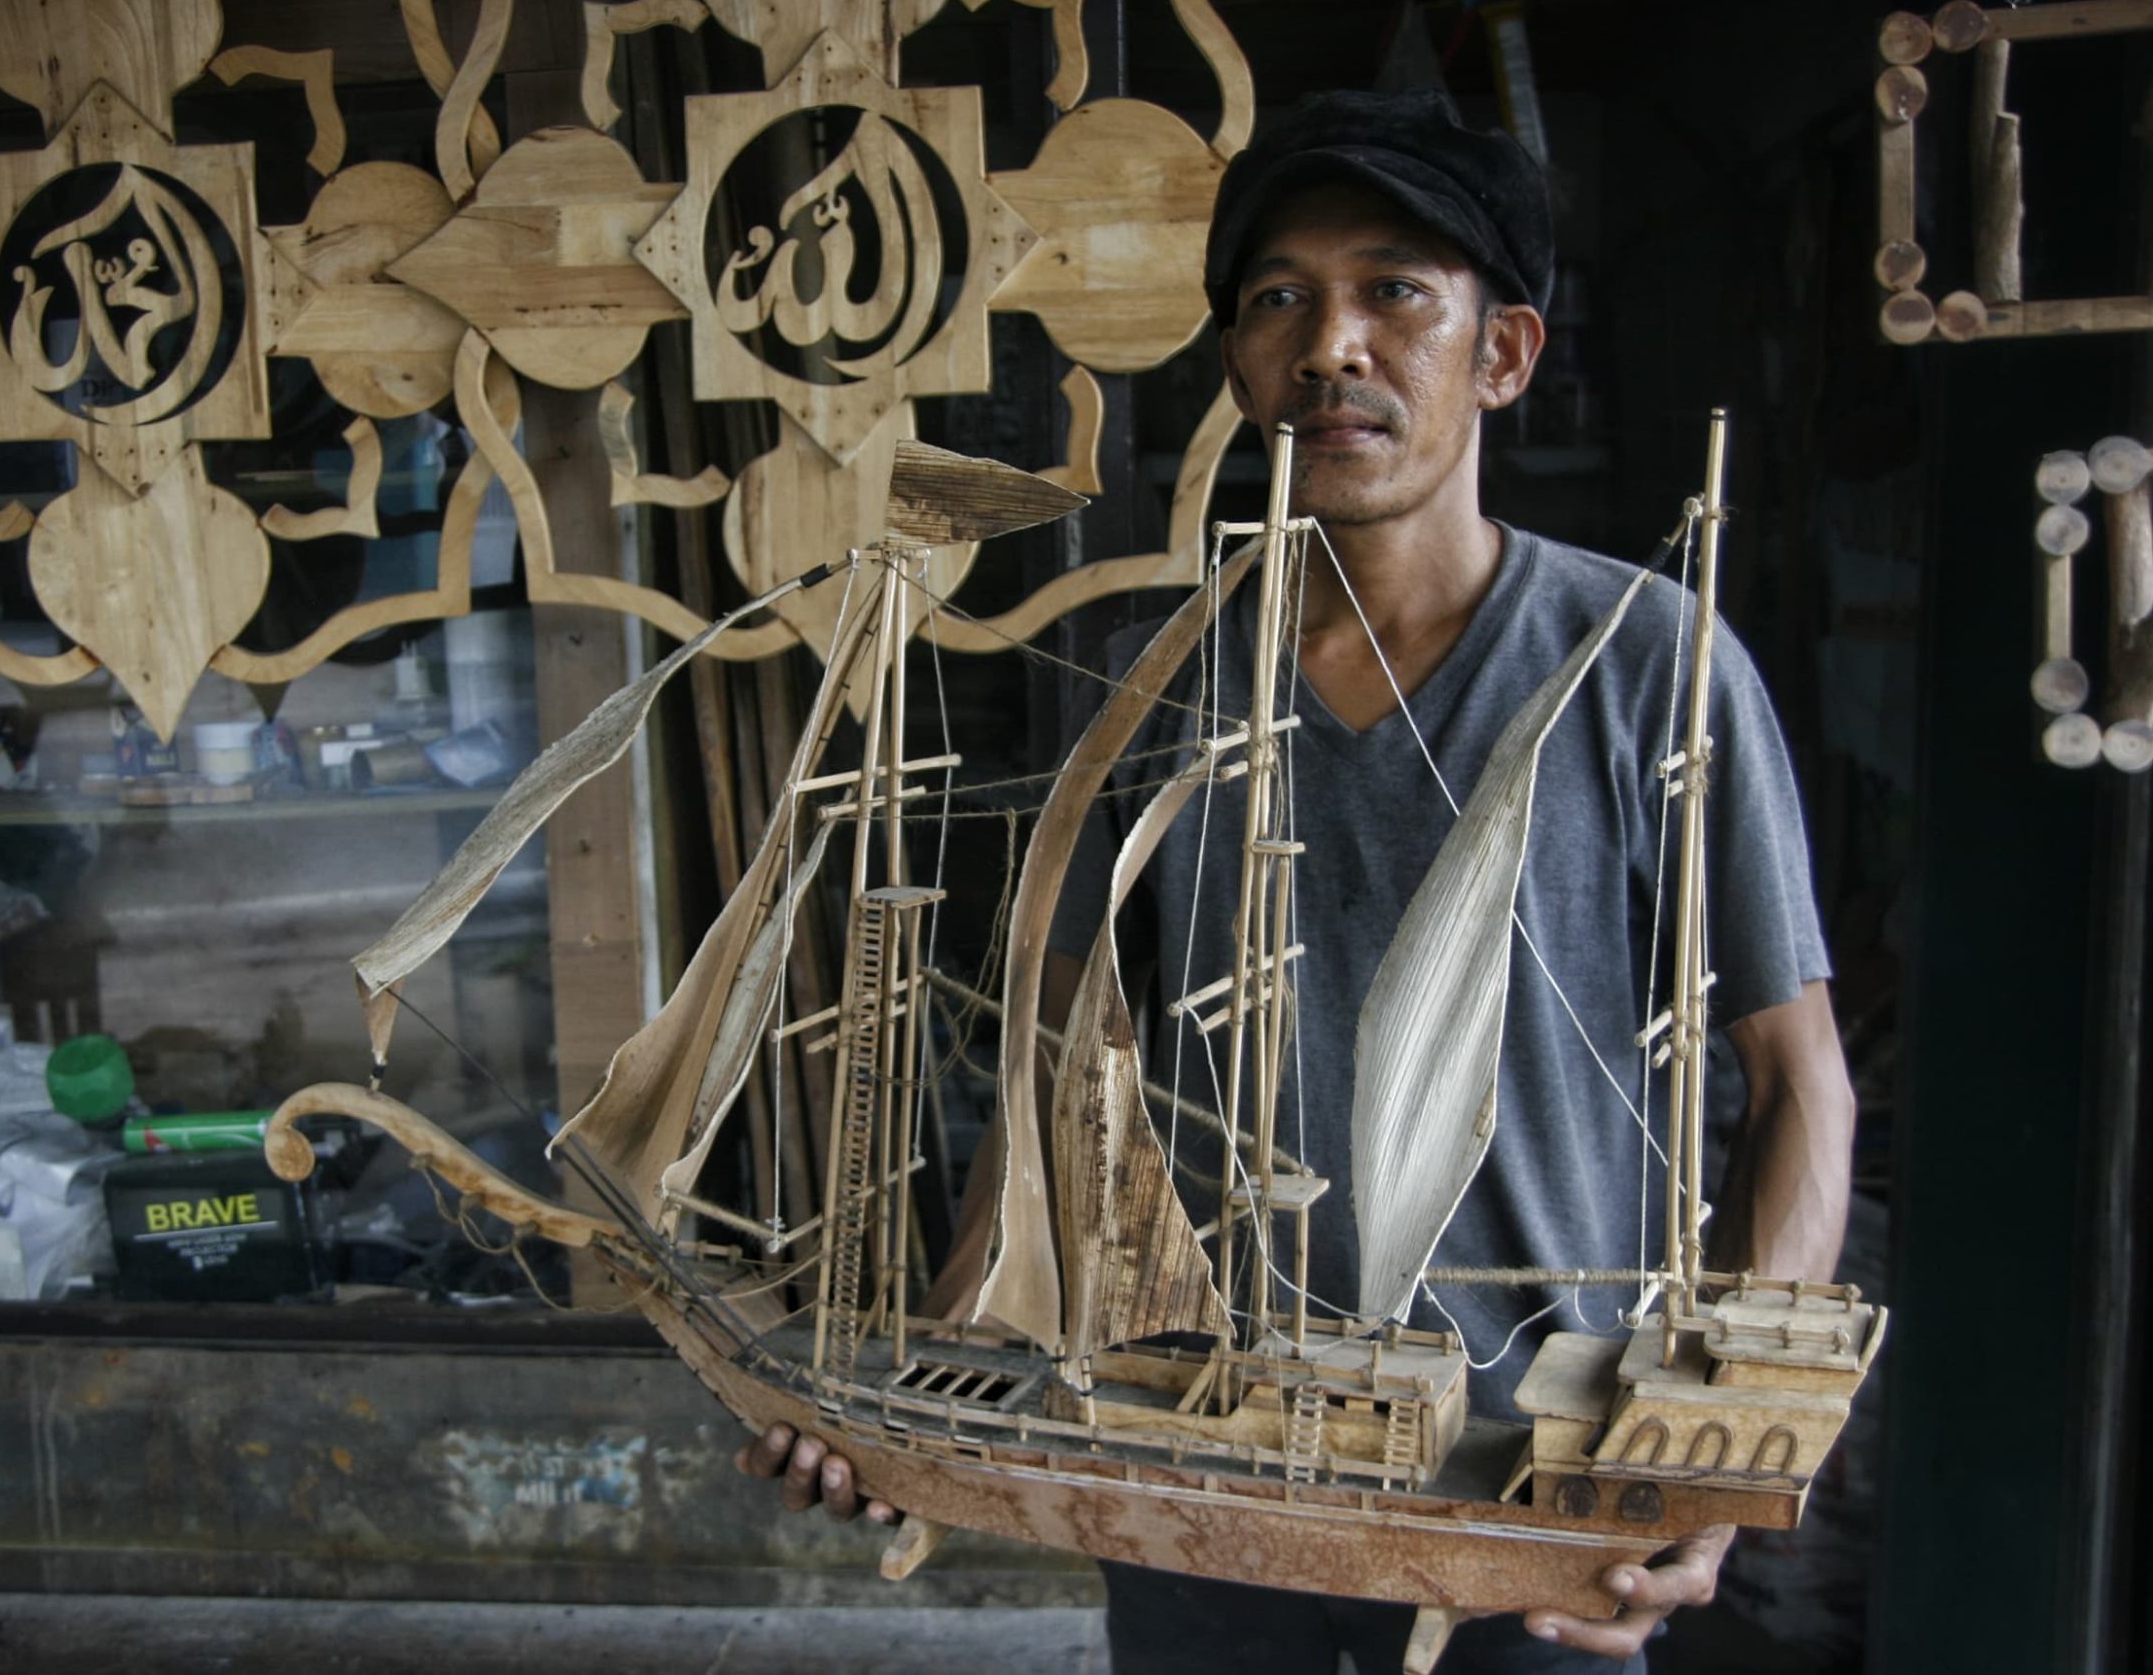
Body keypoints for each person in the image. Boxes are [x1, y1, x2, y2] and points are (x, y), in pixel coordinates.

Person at [738, 89, 1856, 1674]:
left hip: (1525, 1486)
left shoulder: (1647, 668)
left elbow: (1798, 1080)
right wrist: (925, 1383)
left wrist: (1716, 1457)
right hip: (1193, 1456)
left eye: (1394, 289)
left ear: (1505, 353)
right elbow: (1065, 1087)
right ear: (1241, 366)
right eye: (1279, 299)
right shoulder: (1148, 684)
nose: (1331, 342)